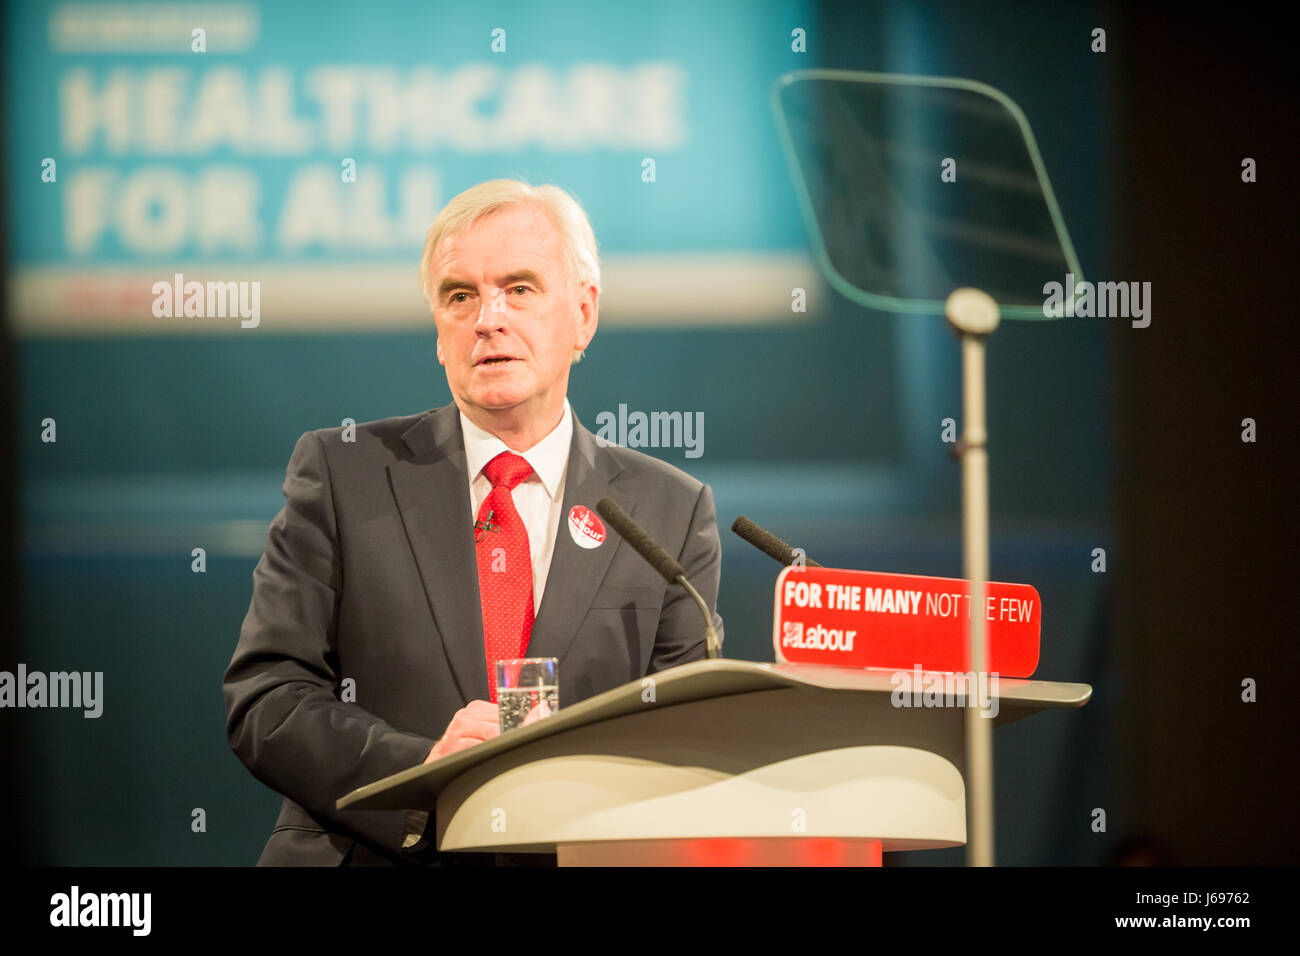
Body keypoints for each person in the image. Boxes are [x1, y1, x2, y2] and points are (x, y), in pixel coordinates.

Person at [223, 179, 724, 866]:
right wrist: (424, 768)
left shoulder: (669, 511)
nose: (488, 318)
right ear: (439, 330)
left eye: (520, 288)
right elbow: (266, 699)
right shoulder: (342, 473)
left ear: (583, 314)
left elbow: (684, 735)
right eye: (460, 295)